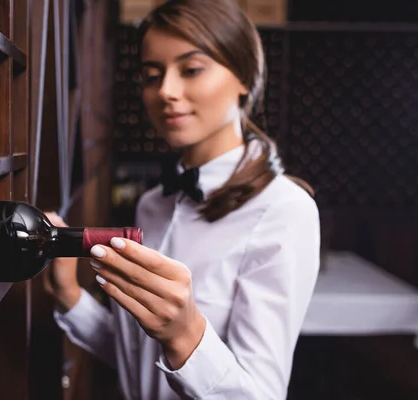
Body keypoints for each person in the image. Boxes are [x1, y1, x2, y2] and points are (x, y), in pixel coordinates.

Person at [43, 0, 321, 399]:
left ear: (245, 76)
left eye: (191, 70)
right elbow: (138, 358)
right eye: (152, 75)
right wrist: (70, 295)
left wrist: (187, 335)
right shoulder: (152, 205)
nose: (166, 92)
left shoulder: (285, 211)